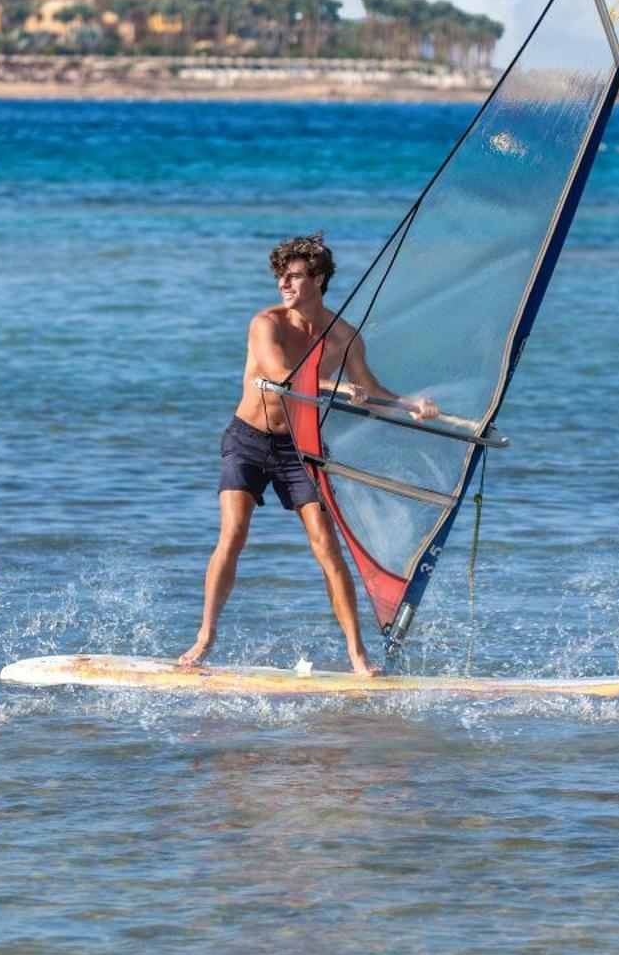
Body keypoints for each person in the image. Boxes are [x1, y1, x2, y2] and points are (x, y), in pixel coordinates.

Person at [178, 233, 436, 675]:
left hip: (300, 447)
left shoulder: (344, 337)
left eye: (294, 276)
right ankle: (205, 638)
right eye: (281, 276)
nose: (284, 283)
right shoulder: (267, 323)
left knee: (327, 547)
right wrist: (341, 388)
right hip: (249, 439)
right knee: (233, 533)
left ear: (318, 279)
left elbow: (369, 392)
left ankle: (358, 655)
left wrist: (410, 403)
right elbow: (281, 375)